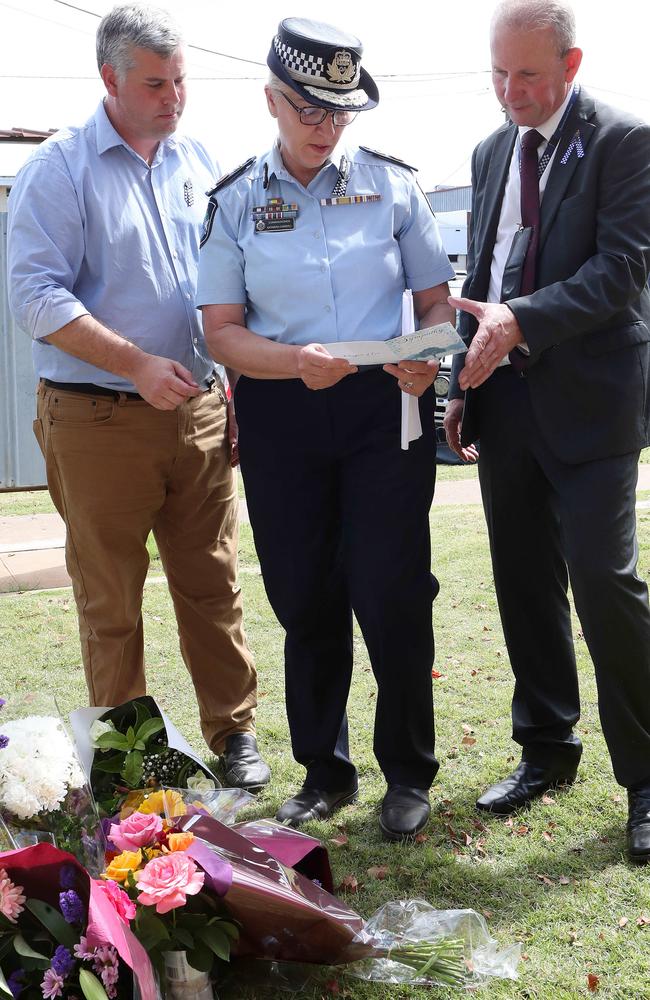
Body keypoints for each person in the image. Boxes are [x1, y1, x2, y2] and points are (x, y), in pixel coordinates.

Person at [196, 17, 455, 840]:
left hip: (385, 410)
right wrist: (289, 361)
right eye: (309, 109)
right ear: (272, 99)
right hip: (282, 412)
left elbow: (435, 303)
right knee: (305, 597)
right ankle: (323, 770)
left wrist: (427, 360)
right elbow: (220, 331)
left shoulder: (394, 186)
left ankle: (408, 773)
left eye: (339, 111)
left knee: (392, 593)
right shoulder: (236, 200)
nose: (325, 127)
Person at [7, 3, 270, 793]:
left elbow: (228, 282)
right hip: (97, 420)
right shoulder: (60, 169)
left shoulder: (197, 160)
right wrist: (135, 361)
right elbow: (34, 296)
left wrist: (236, 383)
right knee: (111, 600)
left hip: (198, 412)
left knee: (212, 583)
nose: (174, 96)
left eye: (181, 79)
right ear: (109, 79)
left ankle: (234, 736)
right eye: (156, 82)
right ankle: (128, 758)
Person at [444, 0, 650, 862]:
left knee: (604, 581)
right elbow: (483, 271)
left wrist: (517, 322)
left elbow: (621, 270)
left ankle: (645, 778)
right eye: (498, 71)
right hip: (509, 405)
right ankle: (545, 751)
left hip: (595, 403)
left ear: (570, 65)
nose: (510, 90)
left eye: (527, 73)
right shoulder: (492, 150)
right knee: (523, 580)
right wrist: (462, 378)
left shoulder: (624, 141)